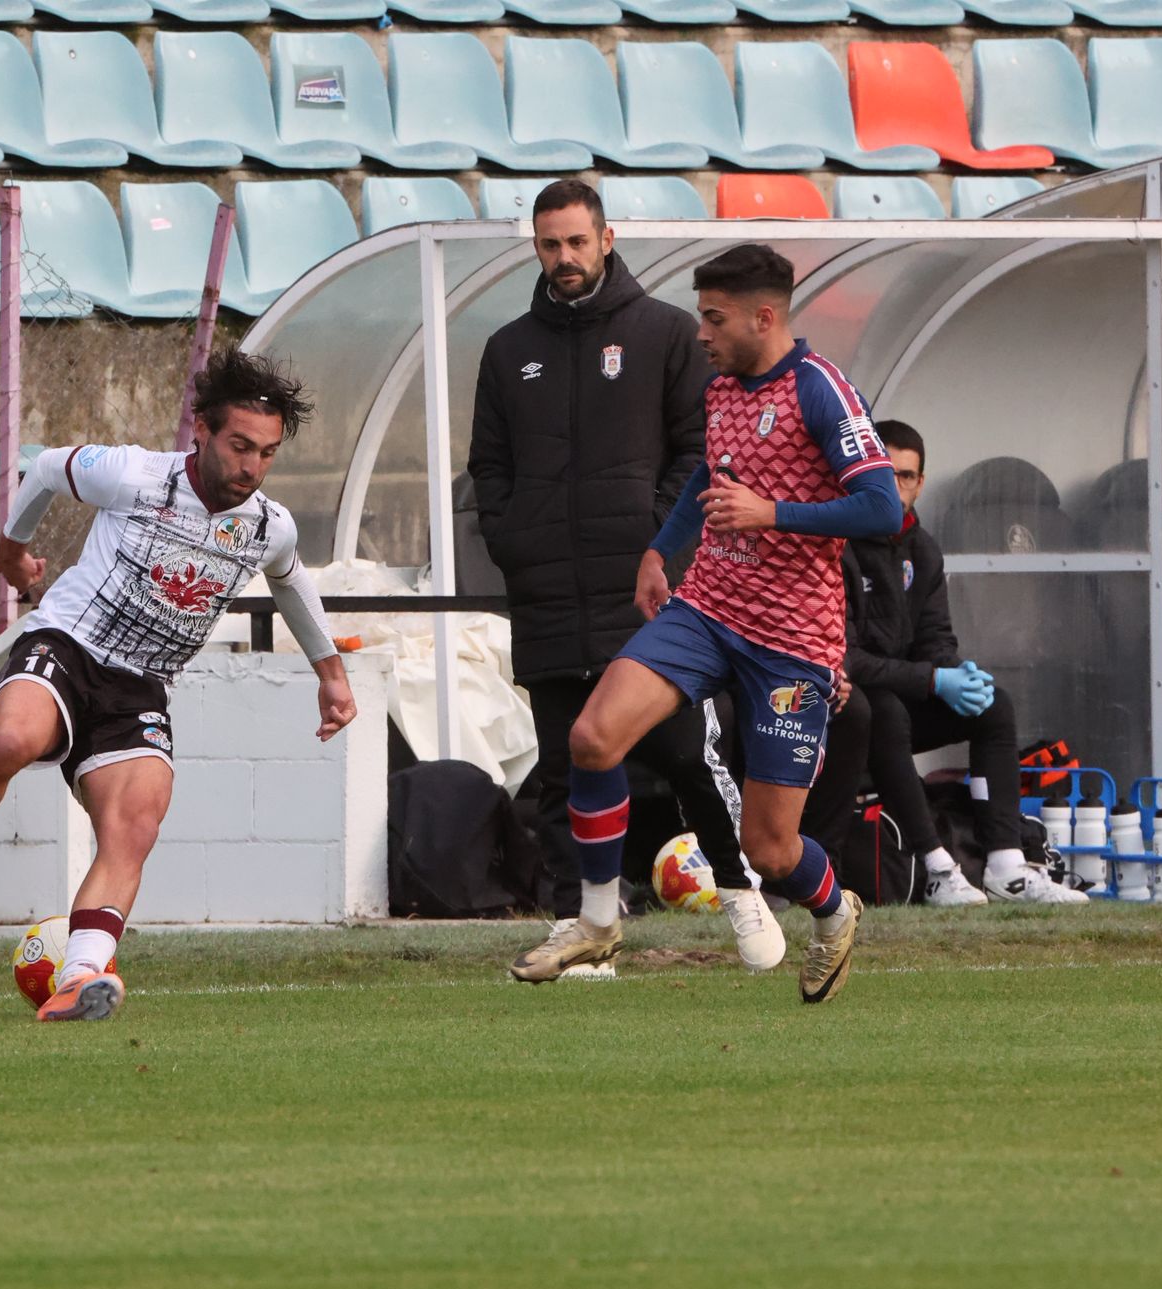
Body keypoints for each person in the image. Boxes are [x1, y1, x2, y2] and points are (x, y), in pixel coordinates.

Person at [0, 352, 358, 1019]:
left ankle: (81, 976)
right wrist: (11, 550)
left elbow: (291, 577)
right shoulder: (135, 476)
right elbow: (44, 468)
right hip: (69, 644)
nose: (251, 466)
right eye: (240, 446)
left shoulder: (268, 525)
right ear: (202, 430)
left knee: (136, 824)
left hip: (143, 688)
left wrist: (330, 674)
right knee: (12, 739)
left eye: (266, 453)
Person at [508, 243, 901, 1003]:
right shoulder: (722, 387)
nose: (701, 333)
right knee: (593, 737)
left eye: (714, 318)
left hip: (791, 642)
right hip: (709, 606)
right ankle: (594, 921)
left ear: (764, 316)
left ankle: (833, 911)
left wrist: (773, 513)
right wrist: (662, 551)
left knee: (772, 847)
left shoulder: (820, 390)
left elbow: (883, 506)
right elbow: (707, 475)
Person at [465, 178, 769, 971]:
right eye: (547, 244)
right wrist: (517, 543)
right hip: (549, 598)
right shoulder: (508, 350)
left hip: (649, 598)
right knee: (567, 766)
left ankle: (743, 900)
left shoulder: (667, 335)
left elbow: (700, 458)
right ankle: (584, 935)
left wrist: (659, 551)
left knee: (682, 755)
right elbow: (487, 472)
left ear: (607, 239)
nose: (562, 257)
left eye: (575, 241)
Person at [836, 420, 1086, 905]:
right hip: (846, 706)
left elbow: (935, 637)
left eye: (906, 476)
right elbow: (842, 657)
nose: (896, 486)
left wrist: (956, 672)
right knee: (882, 709)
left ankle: (1007, 865)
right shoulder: (837, 545)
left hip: (906, 694)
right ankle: (936, 868)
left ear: (920, 483)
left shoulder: (922, 549)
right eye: (885, 472)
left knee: (994, 705)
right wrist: (933, 678)